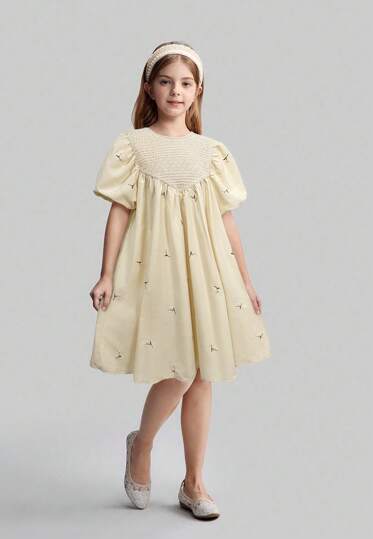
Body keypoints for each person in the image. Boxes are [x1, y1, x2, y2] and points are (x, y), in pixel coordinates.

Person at [89, 41, 271, 520]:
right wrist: (106, 273)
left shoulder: (211, 153)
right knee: (179, 370)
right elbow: (119, 211)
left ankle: (194, 482)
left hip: (208, 270)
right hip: (159, 270)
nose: (176, 91)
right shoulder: (133, 146)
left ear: (198, 91)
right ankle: (142, 445)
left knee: (204, 374)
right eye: (166, 81)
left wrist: (246, 280)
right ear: (149, 87)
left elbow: (227, 220)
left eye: (186, 83)